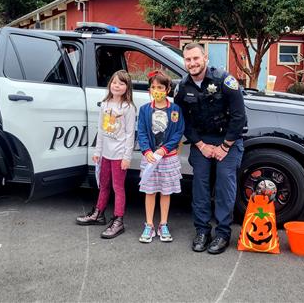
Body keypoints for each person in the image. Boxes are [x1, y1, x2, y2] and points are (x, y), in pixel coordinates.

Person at [174, 42, 247, 255]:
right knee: (200, 185)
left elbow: (238, 116)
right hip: (202, 141)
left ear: (205, 58)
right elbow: (182, 120)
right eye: (188, 59)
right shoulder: (183, 87)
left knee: (225, 183)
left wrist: (225, 146)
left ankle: (223, 233)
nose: (192, 63)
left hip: (229, 140)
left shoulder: (224, 80)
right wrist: (200, 145)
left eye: (196, 58)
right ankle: (202, 231)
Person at [76, 70, 136, 239]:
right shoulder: (105, 104)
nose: (117, 86)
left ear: (127, 87)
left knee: (118, 188)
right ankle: (98, 213)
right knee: (104, 185)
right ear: (110, 84)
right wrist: (97, 151)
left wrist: (127, 157)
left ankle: (118, 220)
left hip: (119, 156)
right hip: (106, 155)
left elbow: (130, 134)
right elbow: (101, 130)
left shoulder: (128, 108)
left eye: (121, 83)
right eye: (114, 82)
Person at [137, 70, 185, 243]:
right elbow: (141, 132)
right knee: (150, 191)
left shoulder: (175, 110)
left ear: (168, 89)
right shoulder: (144, 110)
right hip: (150, 158)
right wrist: (147, 151)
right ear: (150, 89)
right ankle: (149, 224)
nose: (156, 90)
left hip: (168, 157)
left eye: (160, 87)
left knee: (165, 192)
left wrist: (164, 149)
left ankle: (163, 223)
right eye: (153, 87)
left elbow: (178, 132)